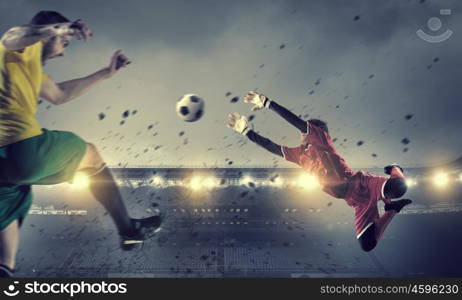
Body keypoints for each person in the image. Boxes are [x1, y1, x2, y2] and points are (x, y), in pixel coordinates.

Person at [0, 11, 162, 277]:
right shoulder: (15, 49)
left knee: (7, 235)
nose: (63, 53)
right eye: (65, 44)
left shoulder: (28, 70)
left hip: (3, 168)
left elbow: (60, 94)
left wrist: (104, 74)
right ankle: (129, 229)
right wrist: (60, 29)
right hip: (23, 149)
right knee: (92, 155)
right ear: (49, 32)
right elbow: (14, 36)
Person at [227, 91, 412, 253]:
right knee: (367, 244)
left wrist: (267, 103)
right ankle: (391, 209)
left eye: (304, 132)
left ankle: (397, 170)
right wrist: (246, 131)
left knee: (399, 187)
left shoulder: (321, 139)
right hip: (354, 200)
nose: (300, 136)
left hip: (360, 183)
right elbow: (272, 147)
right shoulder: (299, 155)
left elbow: (294, 120)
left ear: (316, 132)